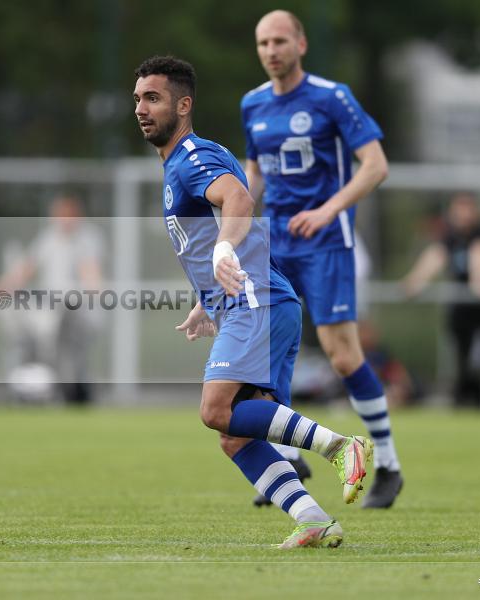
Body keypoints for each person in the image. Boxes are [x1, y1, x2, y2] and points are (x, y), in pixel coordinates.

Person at [134, 55, 373, 549]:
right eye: (137, 98)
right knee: (236, 435)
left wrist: (224, 251)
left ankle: (340, 446)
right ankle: (313, 520)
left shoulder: (191, 156)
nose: (141, 108)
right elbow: (216, 233)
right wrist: (207, 298)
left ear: (183, 105)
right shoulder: (182, 162)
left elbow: (239, 200)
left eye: (153, 98)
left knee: (214, 410)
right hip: (257, 301)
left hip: (257, 302)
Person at [240, 10, 402, 508]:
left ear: (301, 44)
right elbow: (255, 174)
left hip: (328, 242)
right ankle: (289, 459)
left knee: (343, 355)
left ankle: (389, 465)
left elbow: (375, 165)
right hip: (277, 244)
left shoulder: (332, 97)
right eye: (263, 42)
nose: (271, 50)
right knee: (267, 352)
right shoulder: (253, 103)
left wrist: (328, 209)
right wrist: (234, 224)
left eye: (280, 41)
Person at [0, 195, 105, 404]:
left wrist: (91, 290)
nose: (60, 220)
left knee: (71, 359)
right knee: (32, 346)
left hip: (77, 312)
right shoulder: (50, 237)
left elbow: (91, 274)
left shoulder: (87, 239)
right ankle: (35, 391)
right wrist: (7, 284)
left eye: (65, 215)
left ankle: (76, 395)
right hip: (51, 310)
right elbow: (29, 266)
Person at [403, 193, 480, 408]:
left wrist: (479, 281)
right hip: (460, 310)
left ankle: (479, 401)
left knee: (478, 363)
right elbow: (436, 256)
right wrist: (415, 281)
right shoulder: (450, 235)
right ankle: (462, 402)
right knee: (462, 362)